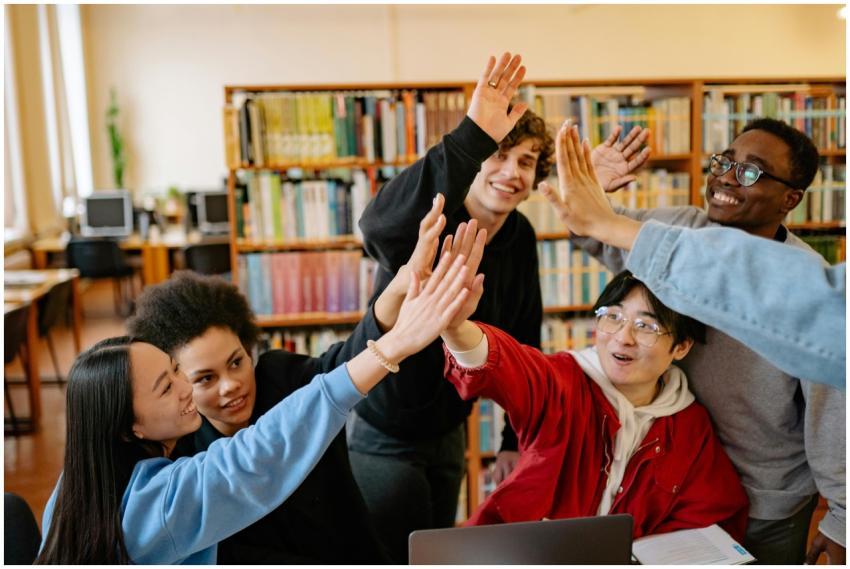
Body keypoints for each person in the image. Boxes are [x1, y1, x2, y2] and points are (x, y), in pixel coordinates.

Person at [349, 52, 648, 562]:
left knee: (434, 551)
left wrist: (513, 440)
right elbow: (375, 229)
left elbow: (523, 340)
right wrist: (471, 135)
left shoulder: (521, 236)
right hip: (384, 429)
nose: (511, 172)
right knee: (390, 554)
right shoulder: (432, 214)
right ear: (476, 158)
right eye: (499, 155)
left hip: (448, 431)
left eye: (527, 161)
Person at [35, 244, 476, 564]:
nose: (190, 389)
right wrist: (395, 344)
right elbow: (257, 455)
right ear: (129, 427)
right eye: (175, 385)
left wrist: (388, 309)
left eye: (174, 370)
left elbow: (335, 366)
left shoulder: (81, 486)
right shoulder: (169, 493)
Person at [541, 120, 846, 564]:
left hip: (763, 500)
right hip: (672, 481)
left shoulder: (798, 282)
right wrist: (595, 194)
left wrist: (842, 519)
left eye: (750, 172)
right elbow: (600, 234)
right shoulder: (680, 226)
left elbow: (832, 416)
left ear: (790, 199)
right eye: (725, 161)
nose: (725, 176)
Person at [123, 195, 468, 564]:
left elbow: (347, 361)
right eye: (205, 379)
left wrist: (399, 288)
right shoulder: (181, 453)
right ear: (177, 382)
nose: (231, 385)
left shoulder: (278, 376)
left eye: (237, 362)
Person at [439, 266, 749, 540]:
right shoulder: (562, 380)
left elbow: (710, 517)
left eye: (645, 326)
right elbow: (507, 364)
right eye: (612, 317)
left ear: (681, 347)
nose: (622, 337)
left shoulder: (688, 424)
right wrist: (457, 329)